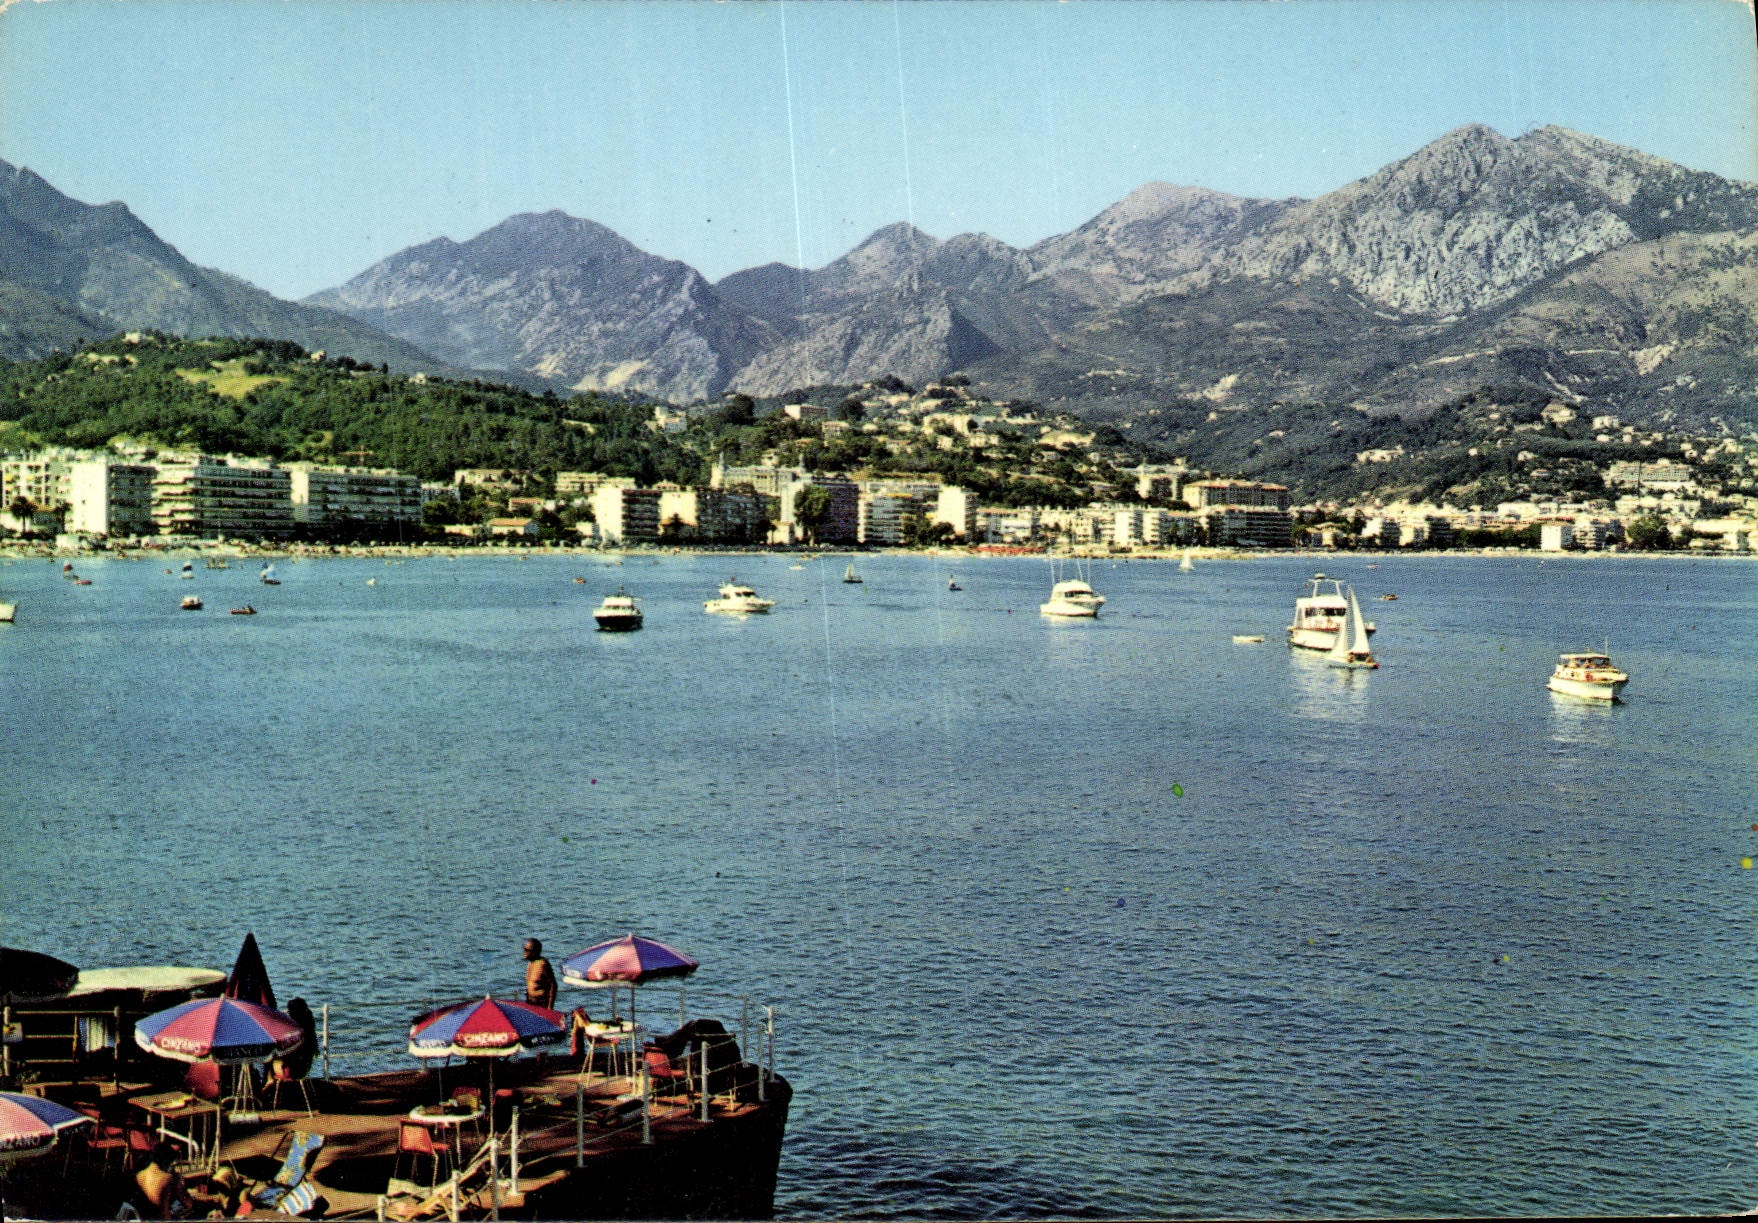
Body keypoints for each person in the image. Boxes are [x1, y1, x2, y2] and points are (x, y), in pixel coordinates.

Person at [523, 939, 557, 1010]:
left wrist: (550, 1008)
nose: (524, 951)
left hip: (541, 1004)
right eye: (524, 948)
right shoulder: (530, 963)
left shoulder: (543, 964)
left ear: (534, 952)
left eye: (526, 950)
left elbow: (553, 985)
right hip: (530, 1002)